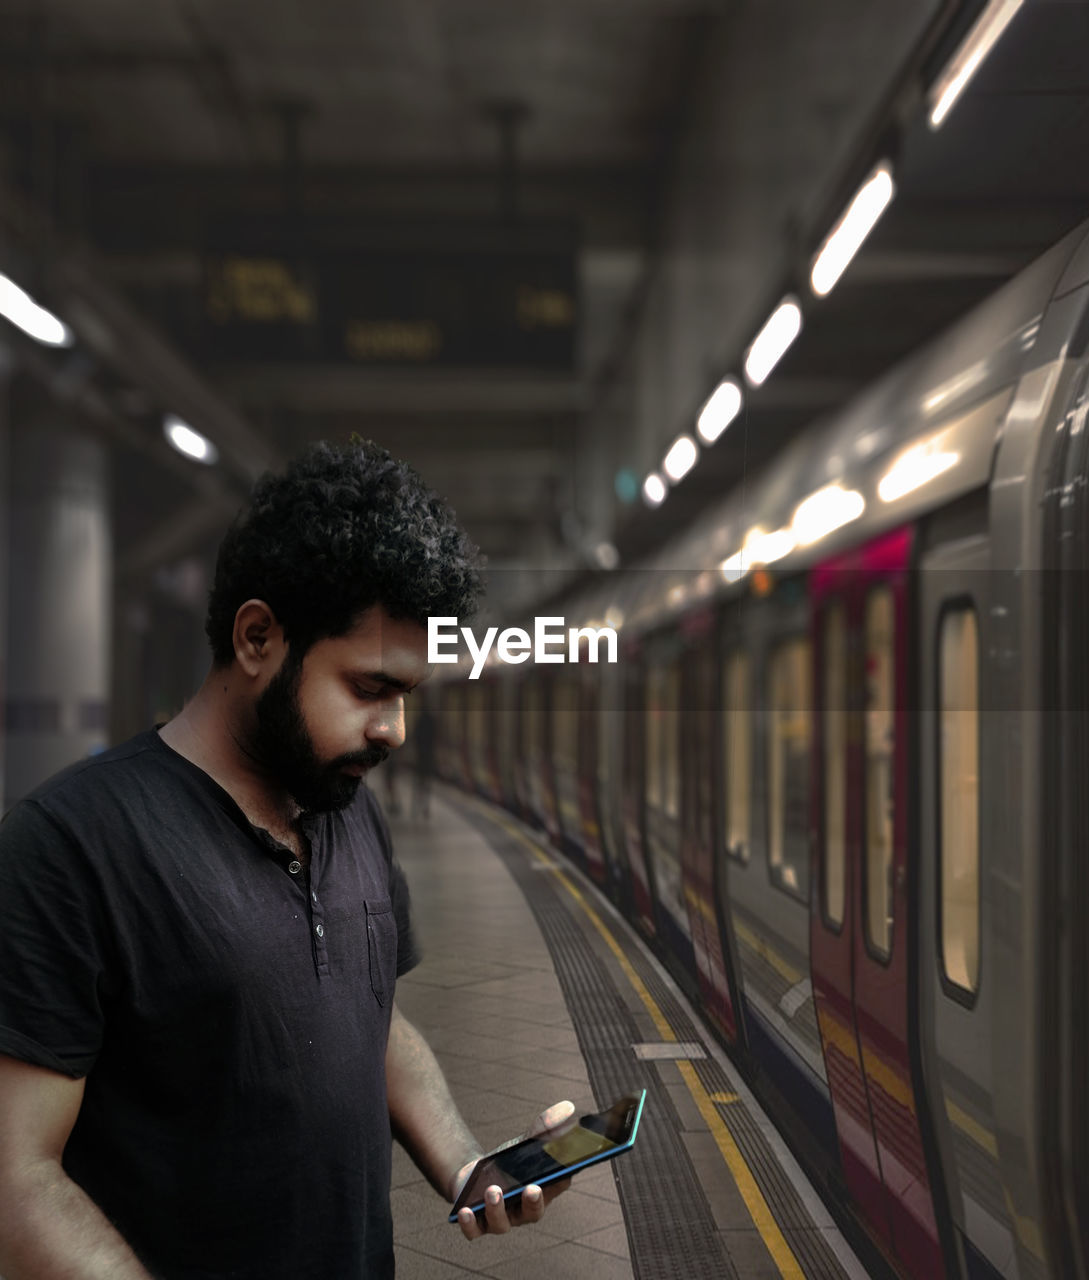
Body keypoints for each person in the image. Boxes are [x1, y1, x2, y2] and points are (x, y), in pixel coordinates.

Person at [0, 440, 572, 1280]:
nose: (394, 731)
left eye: (405, 698)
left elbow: (370, 1020)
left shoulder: (349, 813)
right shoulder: (69, 846)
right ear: (258, 637)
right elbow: (17, 1180)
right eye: (369, 689)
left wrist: (466, 1166)